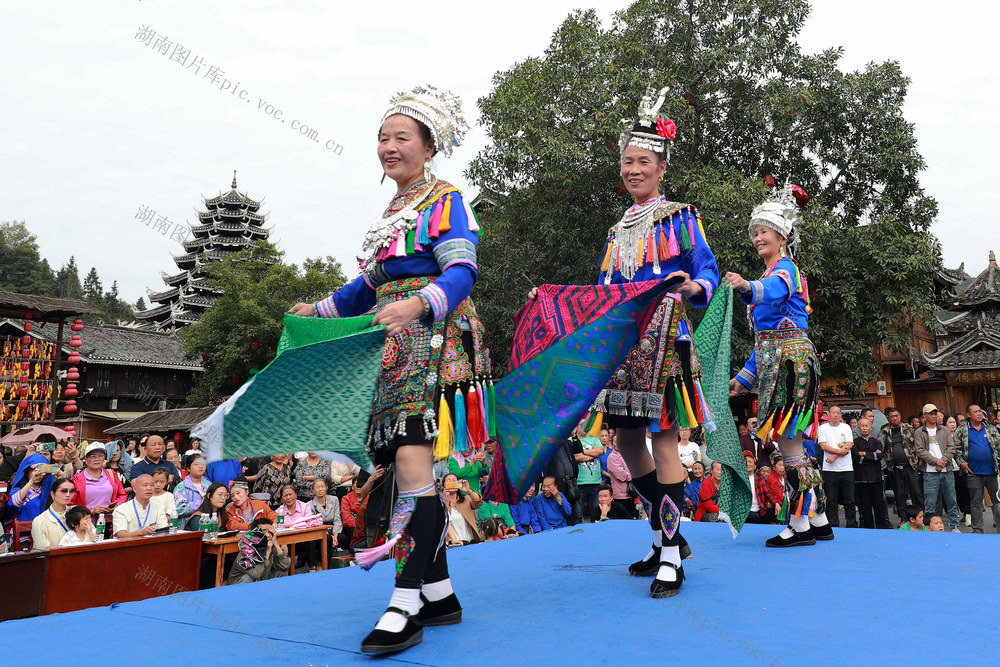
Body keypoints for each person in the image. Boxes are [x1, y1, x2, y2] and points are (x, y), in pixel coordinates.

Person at [290, 86, 477, 653]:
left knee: (413, 463)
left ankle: (404, 604)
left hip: (432, 338)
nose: (389, 147)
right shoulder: (393, 213)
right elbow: (367, 286)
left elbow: (463, 270)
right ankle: (439, 594)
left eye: (401, 137)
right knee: (403, 466)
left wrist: (419, 304)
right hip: (392, 343)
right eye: (382, 138)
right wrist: (317, 311)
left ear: (429, 146)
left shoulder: (446, 201)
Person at [537, 89, 720, 597]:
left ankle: (671, 557)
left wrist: (691, 288)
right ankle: (664, 538)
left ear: (661, 167)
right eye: (627, 162)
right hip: (623, 346)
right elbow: (603, 294)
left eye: (643, 162)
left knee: (664, 441)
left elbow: (706, 270)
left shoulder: (681, 216)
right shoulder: (616, 230)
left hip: (664, 339)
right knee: (628, 442)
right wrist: (555, 304)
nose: (634, 170)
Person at [724, 181, 827, 548]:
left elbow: (773, 291)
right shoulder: (773, 272)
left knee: (789, 444)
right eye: (754, 233)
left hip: (789, 365)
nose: (757, 238)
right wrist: (742, 379)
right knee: (794, 444)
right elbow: (763, 340)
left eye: (763, 231)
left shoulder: (785, 270)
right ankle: (819, 519)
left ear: (782, 237)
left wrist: (745, 286)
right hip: (780, 361)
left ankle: (799, 526)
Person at [953, 403, 1000, 534]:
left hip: (993, 471)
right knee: (975, 502)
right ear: (969, 414)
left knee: (998, 501)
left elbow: (999, 447)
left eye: (980, 411)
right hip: (973, 472)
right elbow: (955, 449)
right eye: (975, 412)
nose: (979, 414)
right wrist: (962, 463)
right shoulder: (962, 429)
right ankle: (978, 530)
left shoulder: (990, 428)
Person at [913, 404, 960, 533]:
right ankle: (929, 528)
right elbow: (920, 451)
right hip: (929, 472)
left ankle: (954, 525)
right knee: (930, 503)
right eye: (931, 413)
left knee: (951, 500)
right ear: (924, 415)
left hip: (947, 470)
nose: (934, 416)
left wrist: (943, 461)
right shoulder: (919, 432)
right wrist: (936, 462)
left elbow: (951, 448)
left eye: (935, 413)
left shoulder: (944, 430)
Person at [817, 405, 857, 529]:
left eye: (838, 413)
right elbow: (823, 446)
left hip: (846, 469)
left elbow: (849, 444)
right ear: (828, 414)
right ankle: (833, 525)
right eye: (833, 412)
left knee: (849, 500)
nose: (835, 415)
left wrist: (834, 456)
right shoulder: (822, 428)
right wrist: (839, 452)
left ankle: (852, 524)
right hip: (830, 470)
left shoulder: (846, 427)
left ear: (841, 415)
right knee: (831, 500)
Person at [881, 407, 922, 518]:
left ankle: (919, 516)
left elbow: (917, 445)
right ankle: (903, 518)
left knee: (916, 492)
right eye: (892, 416)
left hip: (910, 465)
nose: (895, 418)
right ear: (888, 417)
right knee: (899, 494)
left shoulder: (909, 428)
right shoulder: (884, 430)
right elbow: (883, 448)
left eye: (897, 416)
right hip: (894, 467)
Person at [852, 419, 891, 529]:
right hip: (861, 478)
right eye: (862, 426)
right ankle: (868, 526)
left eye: (866, 426)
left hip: (876, 477)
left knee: (879, 504)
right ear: (859, 428)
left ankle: (881, 526)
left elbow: (879, 457)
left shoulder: (876, 442)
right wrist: (871, 455)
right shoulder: (855, 442)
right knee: (865, 505)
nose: (864, 428)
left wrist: (864, 454)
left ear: (870, 428)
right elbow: (856, 458)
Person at [227, 518, 291, 585]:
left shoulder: (270, 545)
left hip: (261, 580)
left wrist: (275, 542)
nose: (267, 535)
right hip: (239, 585)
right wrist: (267, 554)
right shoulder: (247, 551)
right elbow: (257, 574)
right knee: (248, 578)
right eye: (264, 532)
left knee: (282, 571)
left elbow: (286, 565)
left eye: (270, 532)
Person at [70, 442, 128, 516]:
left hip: (109, 519)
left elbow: (122, 495)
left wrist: (117, 505)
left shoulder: (112, 474)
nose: (97, 459)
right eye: (92, 456)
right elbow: (70, 504)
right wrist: (91, 510)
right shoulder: (77, 479)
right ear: (86, 460)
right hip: (86, 519)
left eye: (100, 456)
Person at [569, 418, 605, 524]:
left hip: (595, 481)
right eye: (582, 425)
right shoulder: (571, 440)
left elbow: (601, 450)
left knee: (595, 513)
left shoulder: (594, 438)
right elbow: (575, 457)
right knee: (578, 514)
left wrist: (583, 451)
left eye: (587, 424)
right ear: (576, 426)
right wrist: (593, 454)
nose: (585, 427)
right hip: (579, 482)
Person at [8, 453, 56, 522]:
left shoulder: (49, 491)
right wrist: (31, 481)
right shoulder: (18, 489)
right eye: (33, 470)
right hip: (23, 527)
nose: (38, 474)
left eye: (41, 471)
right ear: (27, 472)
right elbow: (14, 504)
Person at [31, 478, 75, 550]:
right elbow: (42, 549)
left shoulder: (77, 512)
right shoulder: (40, 521)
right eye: (63, 491)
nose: (68, 494)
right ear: (52, 494)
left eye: (71, 491)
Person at [443, 473, 483, 545]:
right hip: (453, 543)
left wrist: (468, 490)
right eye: (449, 480)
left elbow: (478, 502)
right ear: (444, 485)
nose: (452, 482)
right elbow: (445, 521)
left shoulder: (466, 499)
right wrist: (446, 502)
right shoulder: (440, 503)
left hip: (470, 541)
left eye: (454, 480)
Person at [173, 454, 211, 529]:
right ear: (188, 468)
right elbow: (178, 509)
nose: (201, 466)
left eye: (203, 464)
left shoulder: (209, 485)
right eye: (197, 464)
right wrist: (200, 503)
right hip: (187, 527)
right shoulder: (181, 487)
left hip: (207, 524)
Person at [309, 478, 344, 553]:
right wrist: (330, 537)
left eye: (322, 487)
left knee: (342, 538)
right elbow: (314, 524)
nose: (320, 489)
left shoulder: (334, 499)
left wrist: (335, 536)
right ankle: (322, 559)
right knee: (327, 539)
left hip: (334, 528)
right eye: (317, 487)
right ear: (313, 491)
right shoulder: (310, 504)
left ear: (326, 488)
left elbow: (337, 519)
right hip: (320, 530)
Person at [606, 433, 635, 518]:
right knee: (622, 519)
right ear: (612, 443)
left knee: (631, 518)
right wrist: (634, 476)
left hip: (631, 493)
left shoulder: (627, 454)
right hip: (620, 495)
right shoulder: (612, 457)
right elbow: (621, 474)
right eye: (615, 441)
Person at [755, 460, 783, 524]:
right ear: (758, 472)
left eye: (768, 471)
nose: (766, 474)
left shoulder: (768, 482)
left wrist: (774, 503)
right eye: (763, 471)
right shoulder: (758, 480)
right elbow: (767, 495)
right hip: (759, 511)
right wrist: (774, 503)